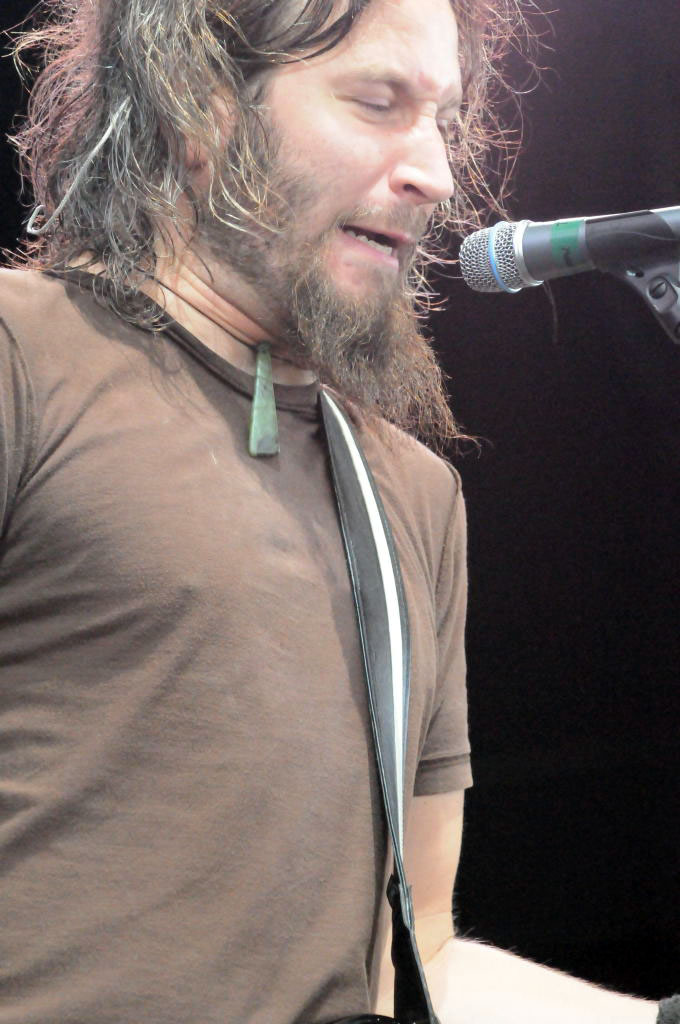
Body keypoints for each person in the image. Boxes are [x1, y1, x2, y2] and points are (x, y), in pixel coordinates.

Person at [0, 0, 666, 1021]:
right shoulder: (24, 358)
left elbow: (418, 954)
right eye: (378, 102)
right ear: (200, 106)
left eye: (443, 121)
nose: (436, 173)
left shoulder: (412, 495)